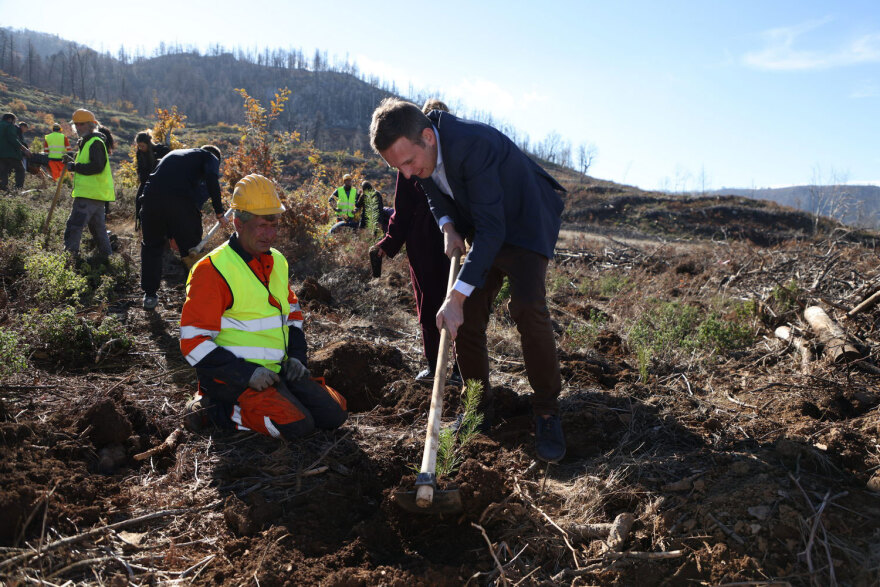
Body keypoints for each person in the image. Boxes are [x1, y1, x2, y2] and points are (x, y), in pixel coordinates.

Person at [370, 98, 567, 463]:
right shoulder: (419, 158)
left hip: (524, 223)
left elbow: (494, 231)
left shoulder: (472, 145)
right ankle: (478, 407)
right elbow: (432, 193)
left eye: (409, 162)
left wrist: (455, 298)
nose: (408, 174)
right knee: (469, 316)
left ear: (428, 136)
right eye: (400, 168)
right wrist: (447, 226)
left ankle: (546, 411)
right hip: (485, 222)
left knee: (527, 307)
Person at [179, 173, 348, 438]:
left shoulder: (278, 261)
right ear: (238, 223)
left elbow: (292, 314)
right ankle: (211, 409)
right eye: (262, 226)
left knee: (335, 414)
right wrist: (247, 373)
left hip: (275, 371)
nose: (270, 234)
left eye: (274, 225)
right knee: (298, 426)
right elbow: (193, 343)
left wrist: (296, 357)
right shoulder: (212, 270)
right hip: (230, 379)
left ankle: (279, 397)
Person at [370, 99, 460, 385]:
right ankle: (435, 366)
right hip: (422, 244)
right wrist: (388, 242)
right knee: (429, 305)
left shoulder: (454, 159)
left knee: (459, 305)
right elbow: (402, 210)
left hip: (455, 243)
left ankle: (462, 368)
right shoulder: (407, 166)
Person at [138, 145, 228, 310]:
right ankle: (198, 294)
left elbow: (159, 186)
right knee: (191, 248)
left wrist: (172, 233)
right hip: (180, 203)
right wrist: (219, 213)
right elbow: (211, 180)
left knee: (152, 247)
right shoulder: (210, 156)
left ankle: (149, 295)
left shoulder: (175, 155)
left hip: (150, 201)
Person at [62, 109, 114, 262]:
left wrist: (74, 166)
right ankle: (108, 260)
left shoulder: (94, 142)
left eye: (82, 124)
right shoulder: (89, 141)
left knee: (74, 227)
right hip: (96, 195)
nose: (78, 127)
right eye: (76, 124)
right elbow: (90, 163)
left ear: (91, 125)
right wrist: (73, 161)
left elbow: (96, 166)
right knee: (98, 231)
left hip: (88, 195)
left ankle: (69, 260)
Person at [134, 130, 171, 228]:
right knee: (139, 200)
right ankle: (140, 225)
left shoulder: (160, 150)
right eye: (139, 146)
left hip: (159, 183)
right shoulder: (140, 153)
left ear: (148, 143)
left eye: (142, 146)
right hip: (146, 182)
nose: (140, 148)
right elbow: (141, 168)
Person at [0, 113, 28, 191]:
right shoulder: (9, 126)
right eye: (14, 120)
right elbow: (13, 139)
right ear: (10, 119)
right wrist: (24, 149)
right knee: (20, 170)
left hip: (0, 155)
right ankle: (18, 190)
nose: (14, 123)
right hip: (11, 154)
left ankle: (3, 190)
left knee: (3, 171)